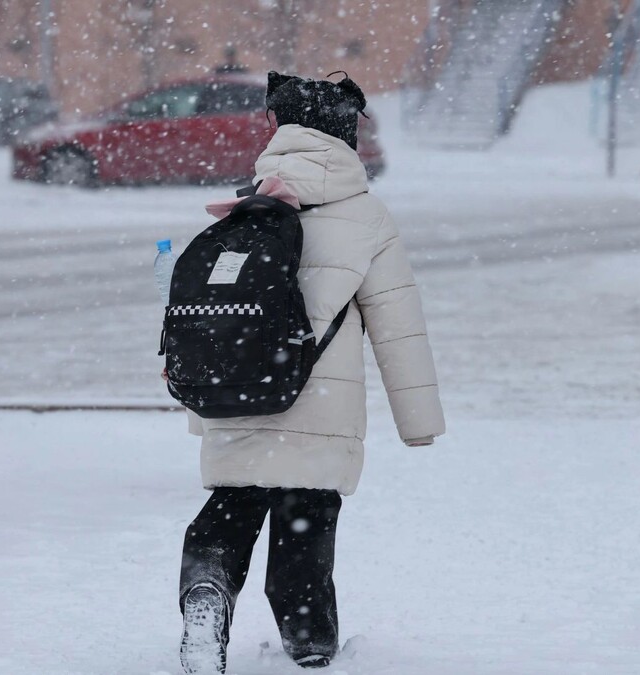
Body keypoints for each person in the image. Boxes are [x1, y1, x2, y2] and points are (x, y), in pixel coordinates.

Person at [176, 71, 446, 674]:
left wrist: (203, 415)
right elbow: (398, 326)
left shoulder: (248, 203)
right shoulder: (367, 216)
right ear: (345, 135)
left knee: (229, 512)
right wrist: (418, 422)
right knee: (305, 527)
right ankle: (311, 646)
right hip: (320, 402)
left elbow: (214, 320)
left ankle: (207, 592)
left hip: (241, 397)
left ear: (283, 131)